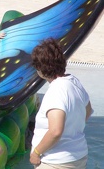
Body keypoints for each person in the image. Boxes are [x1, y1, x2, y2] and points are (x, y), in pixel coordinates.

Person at [30, 38, 93, 169]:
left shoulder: (56, 92)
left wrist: (36, 153)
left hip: (56, 161)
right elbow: (88, 110)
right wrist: (72, 128)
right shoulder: (74, 81)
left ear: (40, 69)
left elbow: (55, 131)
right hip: (78, 156)